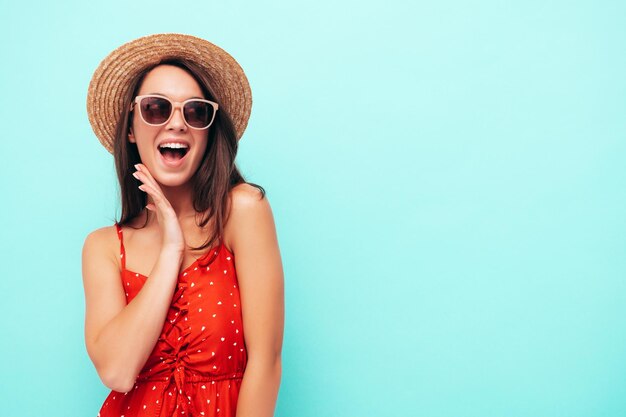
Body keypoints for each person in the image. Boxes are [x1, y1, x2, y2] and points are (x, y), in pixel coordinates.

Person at [81, 33, 284, 417]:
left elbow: (267, 361)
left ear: (208, 133)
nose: (177, 124)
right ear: (130, 129)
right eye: (157, 109)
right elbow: (118, 372)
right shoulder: (103, 247)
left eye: (194, 112)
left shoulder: (242, 211)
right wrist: (172, 248)